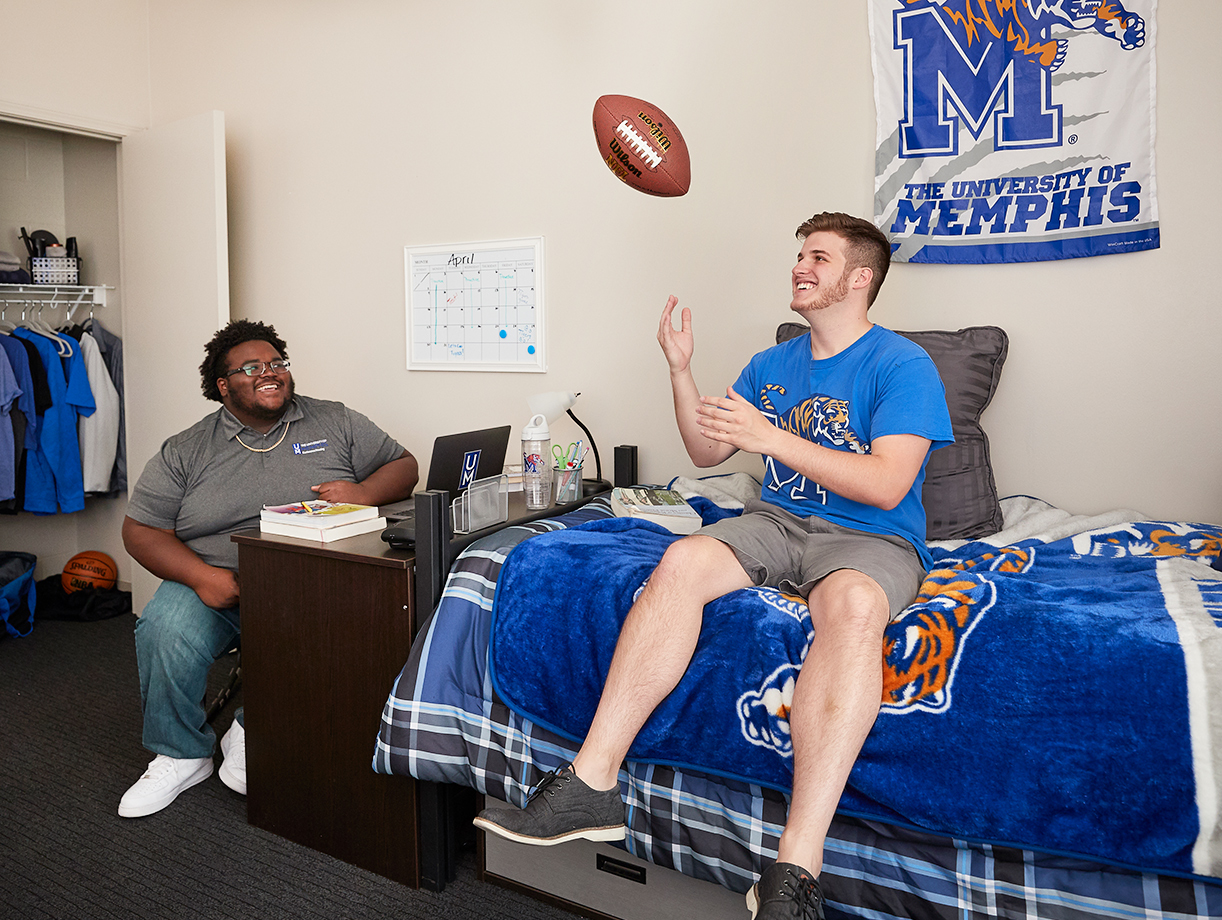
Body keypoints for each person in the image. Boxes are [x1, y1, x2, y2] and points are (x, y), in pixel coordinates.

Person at [474, 213, 953, 919]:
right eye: (799, 255)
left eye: (818, 258)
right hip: (776, 523)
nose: (800, 267)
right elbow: (706, 453)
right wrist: (679, 368)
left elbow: (887, 484)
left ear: (860, 278)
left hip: (868, 536)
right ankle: (592, 781)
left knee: (852, 611)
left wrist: (773, 440)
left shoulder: (902, 364)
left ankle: (796, 868)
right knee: (684, 559)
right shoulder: (772, 364)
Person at [118, 320, 418, 819]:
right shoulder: (185, 450)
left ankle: (249, 727)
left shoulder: (334, 421)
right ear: (223, 385)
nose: (269, 373)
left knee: (330, 631)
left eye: (277, 362)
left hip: (314, 579)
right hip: (216, 578)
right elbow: (141, 531)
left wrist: (364, 493)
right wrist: (201, 578)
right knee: (163, 631)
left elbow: (403, 465)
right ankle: (181, 753)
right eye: (251, 367)